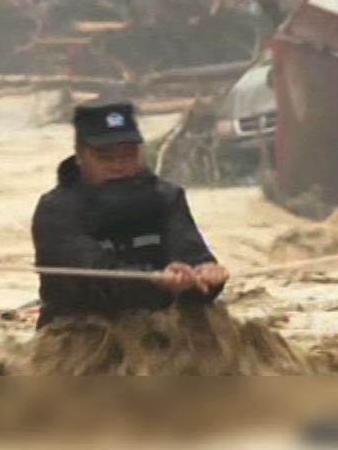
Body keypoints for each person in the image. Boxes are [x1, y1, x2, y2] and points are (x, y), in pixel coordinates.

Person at [31, 100, 229, 328]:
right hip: (81, 333)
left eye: (128, 155)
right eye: (105, 157)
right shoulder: (56, 210)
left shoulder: (166, 198)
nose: (119, 166)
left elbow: (190, 253)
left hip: (165, 330)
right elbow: (93, 279)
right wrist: (157, 282)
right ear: (80, 155)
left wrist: (205, 274)